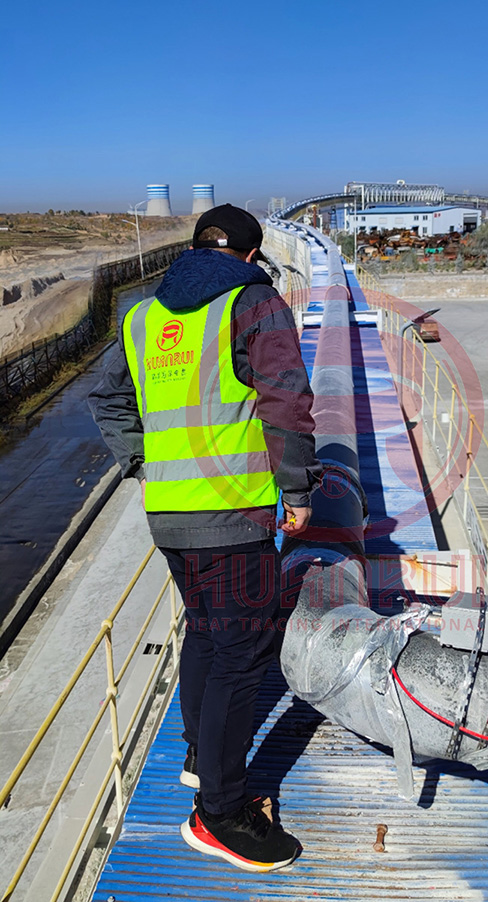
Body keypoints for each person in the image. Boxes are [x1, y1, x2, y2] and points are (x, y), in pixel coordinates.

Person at [89, 203, 322, 872]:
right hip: (234, 514)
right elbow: (285, 396)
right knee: (242, 655)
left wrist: (140, 461)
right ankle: (220, 814)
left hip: (169, 514)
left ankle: (201, 753)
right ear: (250, 256)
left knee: (206, 634)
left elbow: (104, 396)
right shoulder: (253, 302)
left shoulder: (144, 316)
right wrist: (300, 490)